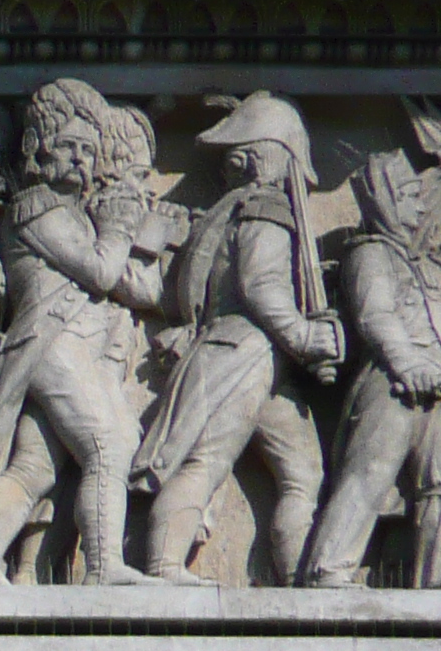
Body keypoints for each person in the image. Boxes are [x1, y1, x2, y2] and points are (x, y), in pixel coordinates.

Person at [0, 79, 175, 585]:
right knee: (110, 445)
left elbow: (123, 283)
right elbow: (99, 271)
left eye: (89, 151)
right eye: (69, 147)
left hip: (73, 349)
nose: (80, 159)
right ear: (37, 151)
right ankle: (103, 567)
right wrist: (120, 228)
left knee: (35, 468)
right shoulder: (37, 207)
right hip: (53, 345)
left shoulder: (73, 213)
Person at [127, 90, 341, 584]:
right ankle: (162, 565)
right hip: (243, 353)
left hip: (262, 364)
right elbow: (261, 288)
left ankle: (300, 579)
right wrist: (307, 338)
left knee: (304, 473)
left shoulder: (226, 212)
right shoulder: (265, 209)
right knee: (205, 460)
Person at [299, 150, 441, 587]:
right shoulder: (371, 252)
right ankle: (329, 570)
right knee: (368, 475)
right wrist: (408, 362)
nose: (419, 208)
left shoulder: (423, 264)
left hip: (434, 383)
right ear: (384, 200)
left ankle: (433, 580)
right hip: (392, 383)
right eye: (409, 197)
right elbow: (374, 316)